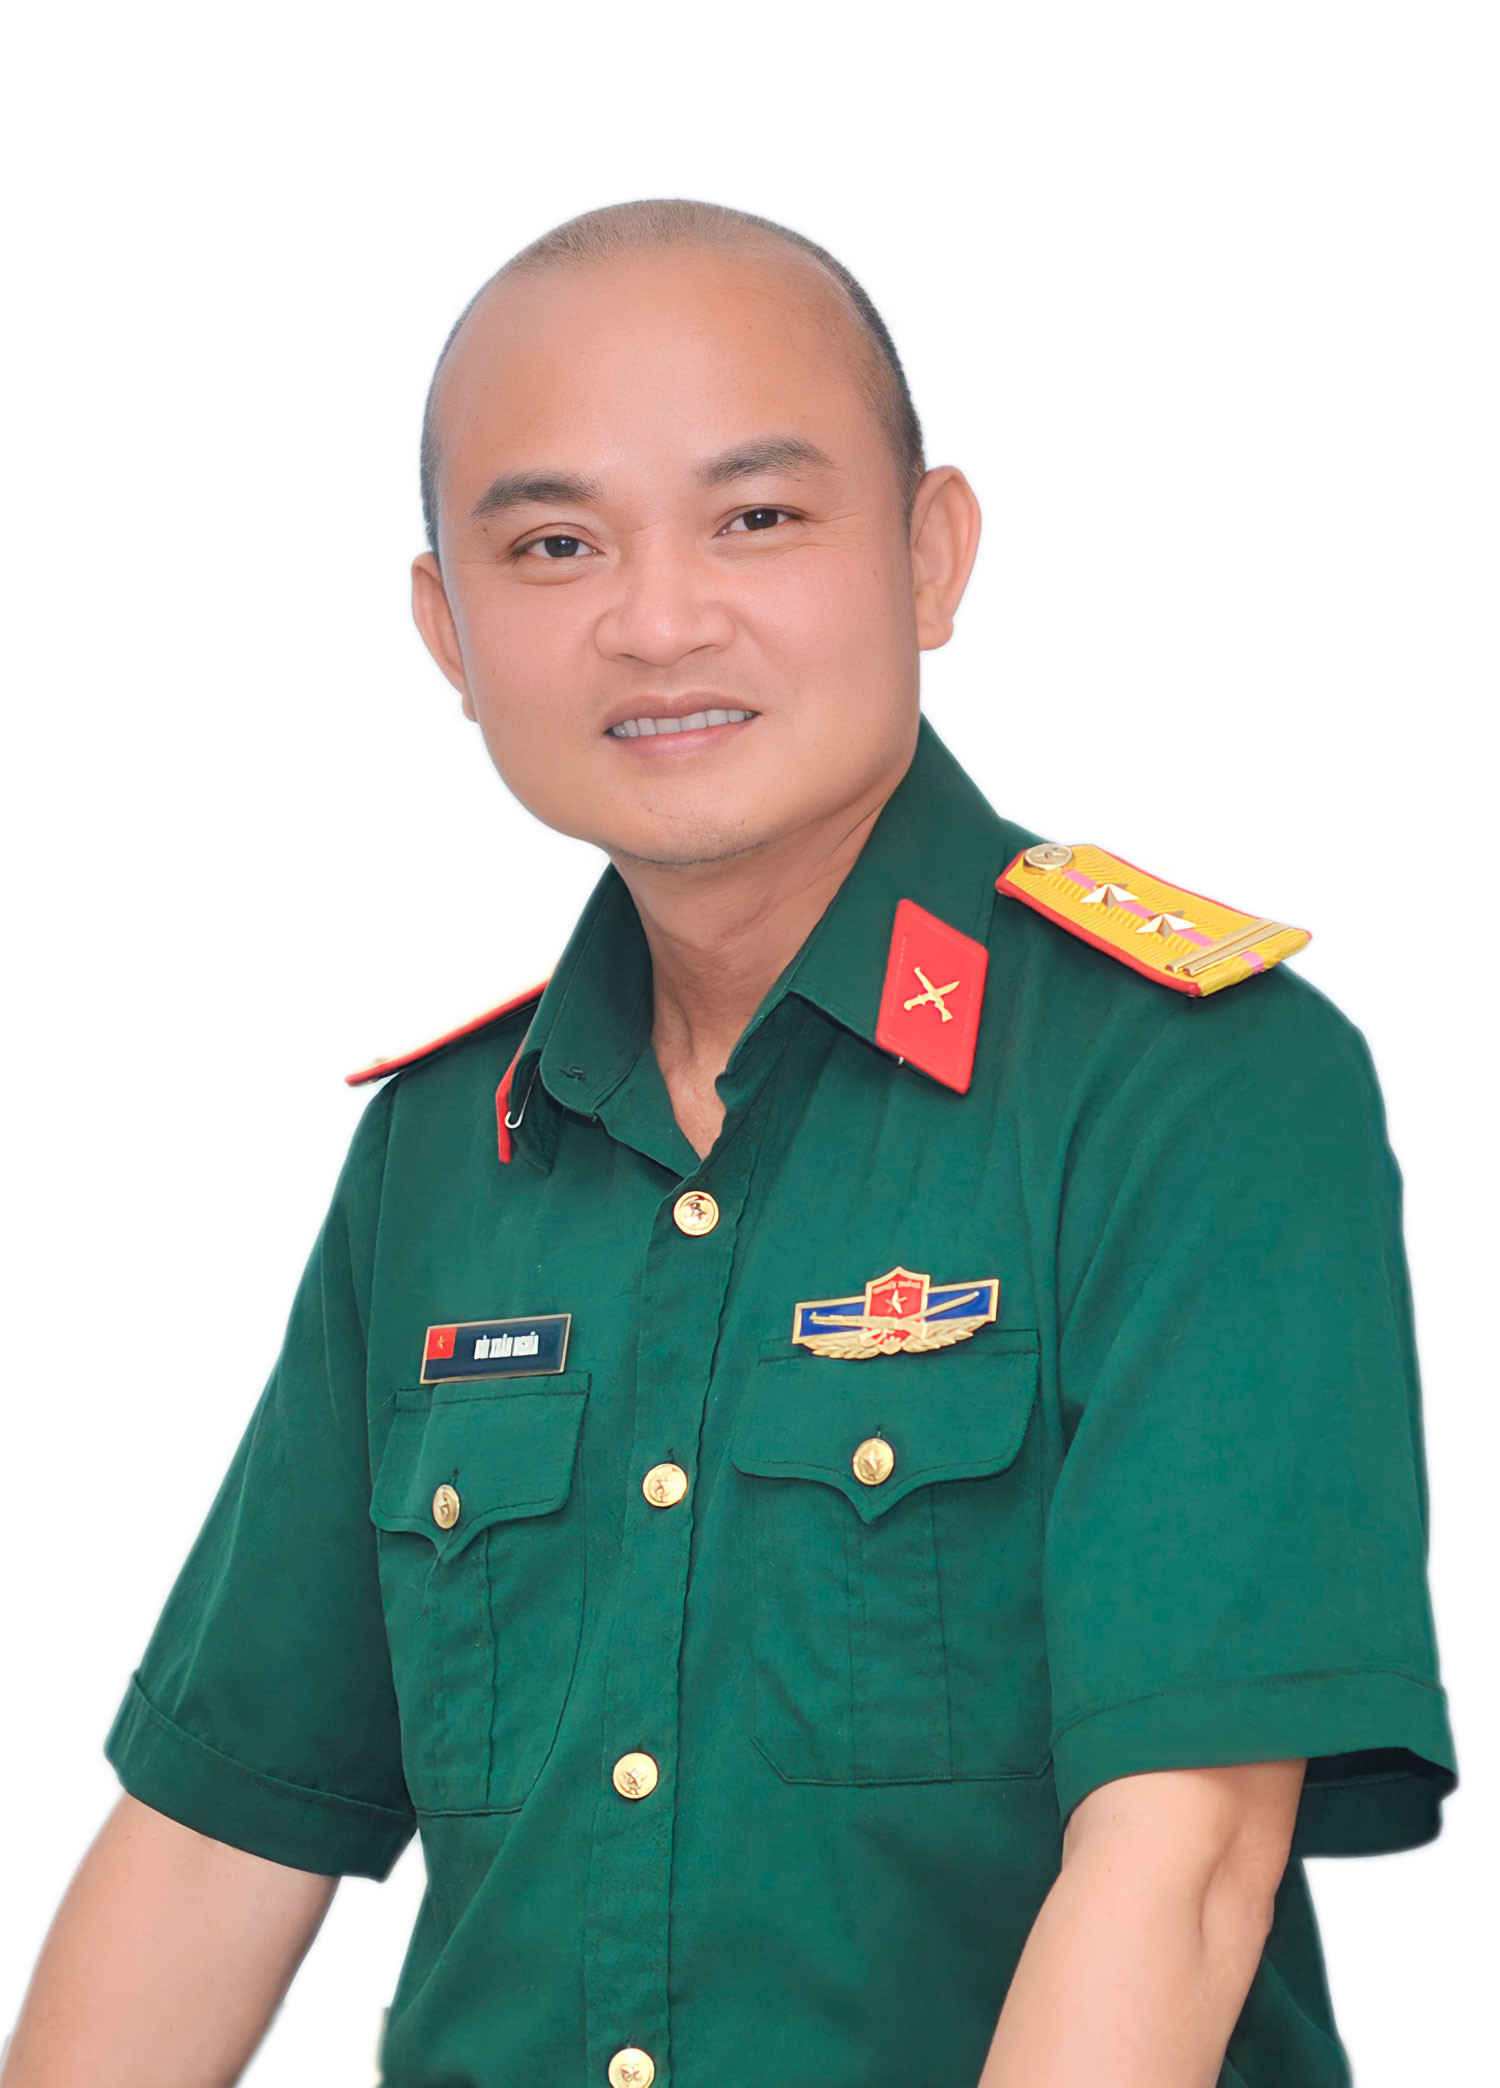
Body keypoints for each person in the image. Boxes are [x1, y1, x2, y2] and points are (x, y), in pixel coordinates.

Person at [0, 198, 1457, 2088]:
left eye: (757, 518)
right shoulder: (450, 1148)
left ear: (930, 554)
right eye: (554, 545)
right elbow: (217, 1836)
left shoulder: (1193, 1085)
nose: (658, 619)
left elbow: (1181, 1864)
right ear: (448, 630)